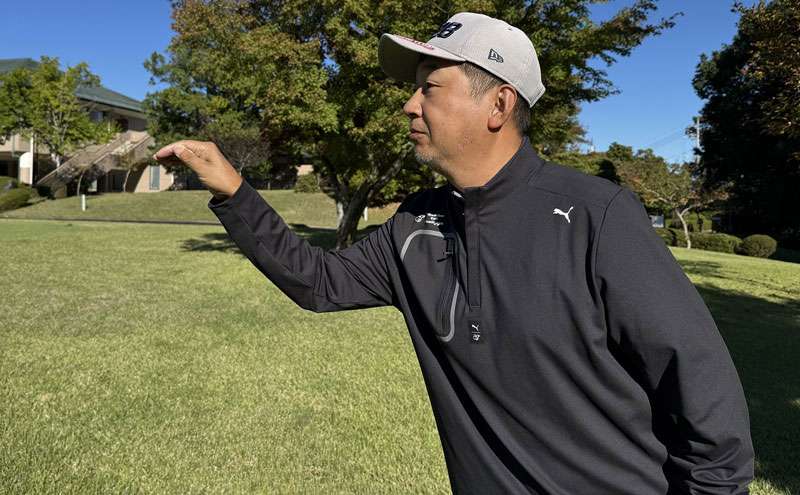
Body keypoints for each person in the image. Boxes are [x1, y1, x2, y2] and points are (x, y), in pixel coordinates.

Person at [155, 12, 754, 495]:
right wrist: (234, 190)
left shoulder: (595, 215)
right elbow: (319, 283)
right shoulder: (417, 221)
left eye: (430, 87)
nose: (409, 105)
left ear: (497, 105)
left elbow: (700, 385)